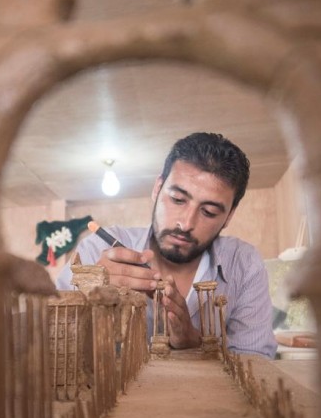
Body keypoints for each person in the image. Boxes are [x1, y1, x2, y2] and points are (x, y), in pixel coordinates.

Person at [56, 133, 276, 358]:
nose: (186, 223)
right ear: (157, 188)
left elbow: (256, 364)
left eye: (208, 212)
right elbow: (50, 343)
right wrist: (90, 298)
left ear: (229, 216)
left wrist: (197, 344)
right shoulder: (96, 250)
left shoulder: (244, 263)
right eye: (178, 200)